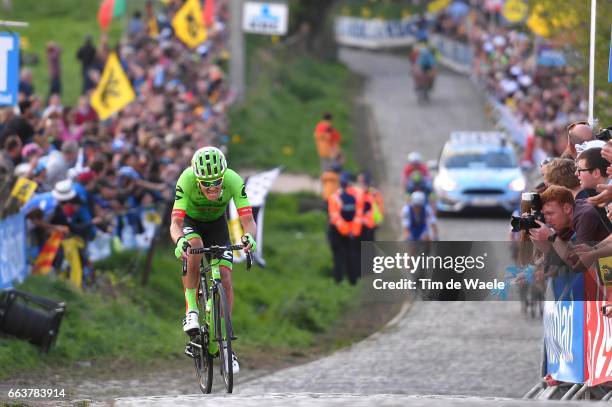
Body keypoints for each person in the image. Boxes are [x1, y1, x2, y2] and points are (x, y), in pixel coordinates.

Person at [169, 146, 256, 374]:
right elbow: (175, 224)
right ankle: (191, 311)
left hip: (218, 226)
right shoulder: (186, 179)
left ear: (223, 175)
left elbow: (248, 220)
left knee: (225, 277)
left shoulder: (234, 180)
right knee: (194, 247)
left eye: (217, 181)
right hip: (191, 224)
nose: (213, 187)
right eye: (206, 183)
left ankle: (226, 347)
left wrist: (249, 238)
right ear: (196, 178)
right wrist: (179, 241)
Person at [327, 172, 364, 285]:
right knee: (350, 255)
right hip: (350, 232)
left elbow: (335, 216)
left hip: (338, 231)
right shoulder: (357, 197)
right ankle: (352, 280)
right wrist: (352, 232)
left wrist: (345, 230)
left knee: (339, 256)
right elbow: (358, 216)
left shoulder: (334, 197)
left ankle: (339, 280)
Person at [356, 171, 384, 241]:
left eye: (360, 181)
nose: (359, 183)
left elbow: (380, 207)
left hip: (369, 223)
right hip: (362, 224)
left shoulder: (373, 193)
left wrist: (379, 220)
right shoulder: (359, 192)